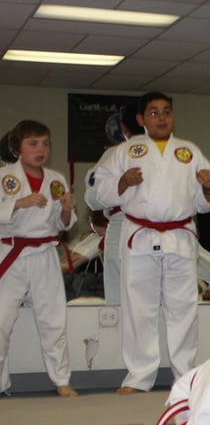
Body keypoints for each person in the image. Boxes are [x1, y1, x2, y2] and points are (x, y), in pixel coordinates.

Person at [94, 91, 210, 394]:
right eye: (154, 112)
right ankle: (139, 377)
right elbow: (100, 193)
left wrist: (208, 188)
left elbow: (209, 203)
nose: (162, 118)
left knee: (184, 308)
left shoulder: (189, 152)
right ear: (141, 119)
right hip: (140, 237)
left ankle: (186, 376)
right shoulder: (126, 151)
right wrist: (123, 182)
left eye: (166, 112)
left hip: (179, 237)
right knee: (139, 308)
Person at [0, 120, 78, 397]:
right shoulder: (3, 176)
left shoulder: (56, 179)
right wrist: (19, 203)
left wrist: (67, 210)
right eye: (33, 143)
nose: (41, 149)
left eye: (45, 143)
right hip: (12, 254)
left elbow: (63, 223)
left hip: (45, 255)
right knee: (1, 321)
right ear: (16, 147)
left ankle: (61, 380)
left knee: (53, 319)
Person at [84, 101, 143, 306]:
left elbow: (92, 198)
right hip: (165, 231)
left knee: (119, 300)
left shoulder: (113, 155)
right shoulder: (172, 155)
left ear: (124, 129)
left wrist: (119, 185)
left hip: (122, 227)